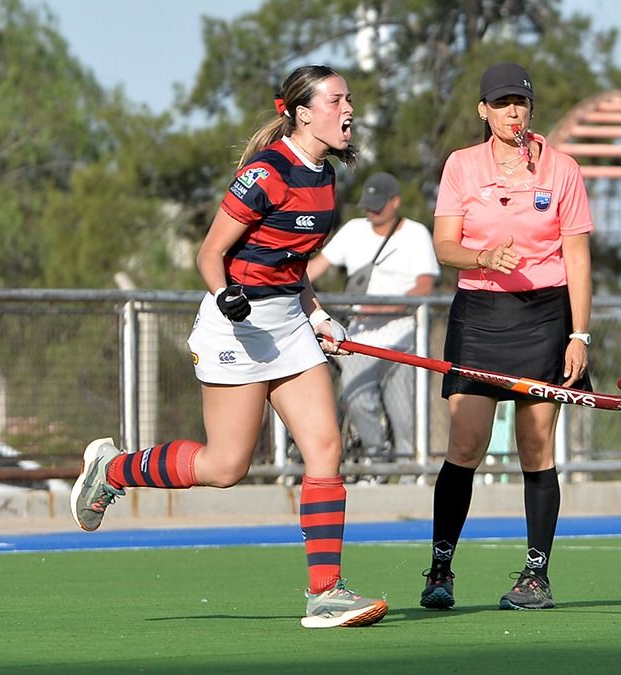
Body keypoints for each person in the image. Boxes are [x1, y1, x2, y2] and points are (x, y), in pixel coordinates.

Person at [69, 64, 388, 630]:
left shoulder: (325, 178)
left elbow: (293, 264)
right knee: (224, 467)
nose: (348, 111)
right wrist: (227, 296)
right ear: (301, 110)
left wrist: (318, 315)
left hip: (289, 326)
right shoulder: (265, 174)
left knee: (325, 448)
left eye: (349, 101)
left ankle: (325, 594)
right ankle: (112, 469)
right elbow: (209, 255)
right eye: (337, 100)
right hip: (236, 330)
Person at [419, 62, 593, 611]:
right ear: (483, 111)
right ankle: (441, 568)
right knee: (465, 444)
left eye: (519, 102)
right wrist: (485, 257)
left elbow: (578, 258)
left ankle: (536, 575)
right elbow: (444, 245)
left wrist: (579, 334)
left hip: (545, 317)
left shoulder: (562, 169)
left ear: (531, 108)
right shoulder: (462, 166)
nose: (512, 112)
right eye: (501, 103)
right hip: (479, 314)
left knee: (536, 448)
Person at [306, 172, 440, 464]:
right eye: (368, 204)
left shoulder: (416, 233)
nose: (372, 211)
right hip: (360, 339)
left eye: (378, 205)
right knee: (356, 398)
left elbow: (424, 287)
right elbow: (312, 270)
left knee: (404, 414)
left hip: (403, 338)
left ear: (396, 202)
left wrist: (381, 308)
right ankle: (376, 462)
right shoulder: (354, 230)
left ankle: (409, 475)